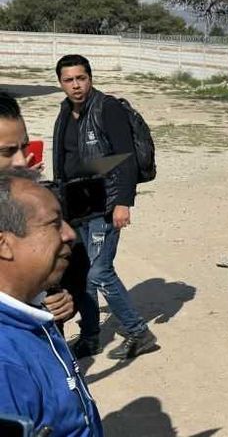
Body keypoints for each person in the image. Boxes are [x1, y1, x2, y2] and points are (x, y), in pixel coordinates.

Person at [52, 55, 155, 359]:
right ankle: (90, 336)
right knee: (81, 272)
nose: (76, 85)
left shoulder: (107, 108)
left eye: (81, 78)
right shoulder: (64, 110)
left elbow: (125, 157)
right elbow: (63, 158)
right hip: (75, 204)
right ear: (61, 83)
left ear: (90, 78)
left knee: (99, 272)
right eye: (69, 80)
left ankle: (139, 332)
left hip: (106, 203)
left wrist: (124, 202)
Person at [0, 168, 103, 436]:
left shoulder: (31, 311)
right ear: (4, 244)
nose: (69, 234)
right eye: (54, 223)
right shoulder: (4, 364)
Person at [0, 92, 75, 326]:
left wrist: (54, 296)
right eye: (7, 151)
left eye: (24, 146)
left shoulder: (28, 198)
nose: (22, 161)